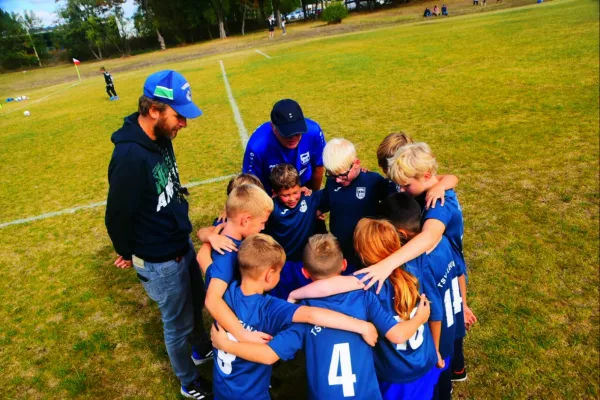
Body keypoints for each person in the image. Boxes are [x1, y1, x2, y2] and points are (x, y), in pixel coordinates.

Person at [211, 234, 431, 400]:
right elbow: (398, 334)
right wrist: (419, 319)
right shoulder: (365, 298)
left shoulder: (296, 315)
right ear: (344, 265)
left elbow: (271, 353)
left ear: (305, 273)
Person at [105, 70, 212, 399]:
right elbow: (117, 216)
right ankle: (188, 380)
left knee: (196, 303)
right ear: (154, 111)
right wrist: (127, 251)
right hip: (161, 261)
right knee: (176, 324)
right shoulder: (128, 157)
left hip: (182, 242)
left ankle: (201, 348)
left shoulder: (162, 138)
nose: (184, 123)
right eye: (179, 115)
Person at [356, 142, 477, 392]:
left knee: (443, 336)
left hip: (444, 272)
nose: (402, 190)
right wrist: (445, 181)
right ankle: (453, 371)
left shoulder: (438, 206)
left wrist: (386, 264)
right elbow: (447, 177)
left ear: (426, 176)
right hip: (449, 269)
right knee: (450, 332)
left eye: (406, 185)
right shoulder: (433, 187)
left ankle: (444, 380)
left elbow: (430, 237)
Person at [289, 215, 444, 400]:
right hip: (424, 359)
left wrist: (294, 294)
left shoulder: (368, 283)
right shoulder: (415, 262)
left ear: (361, 254)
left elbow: (328, 286)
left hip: (397, 373)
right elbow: (435, 235)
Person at [198, 184, 276, 344]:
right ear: (246, 220)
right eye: (262, 222)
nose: (263, 227)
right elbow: (212, 299)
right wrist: (242, 334)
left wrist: (210, 235)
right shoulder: (228, 253)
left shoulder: (222, 233)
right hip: (238, 322)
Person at [243, 99, 327, 232]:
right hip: (270, 197)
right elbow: (250, 184)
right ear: (273, 127)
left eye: (298, 132)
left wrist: (313, 200)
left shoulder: (313, 131)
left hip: (302, 187)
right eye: (287, 133)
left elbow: (318, 166)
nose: (293, 137)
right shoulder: (257, 146)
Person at [319, 138, 389, 274]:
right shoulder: (332, 183)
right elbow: (323, 203)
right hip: (342, 252)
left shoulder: (373, 180)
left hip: (368, 251)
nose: (338, 180)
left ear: (356, 163)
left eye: (343, 175)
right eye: (333, 176)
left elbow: (395, 202)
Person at [265, 164, 326, 299]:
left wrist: (361, 174)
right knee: (283, 301)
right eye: (286, 195)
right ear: (275, 193)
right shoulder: (269, 208)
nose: (292, 198)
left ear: (300, 186)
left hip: (307, 265)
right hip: (282, 266)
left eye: (295, 192)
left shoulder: (310, 200)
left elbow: (336, 192)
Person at [376, 132, 458, 204]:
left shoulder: (418, 177)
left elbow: (452, 178)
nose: (386, 172)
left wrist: (440, 187)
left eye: (387, 168)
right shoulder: (391, 183)